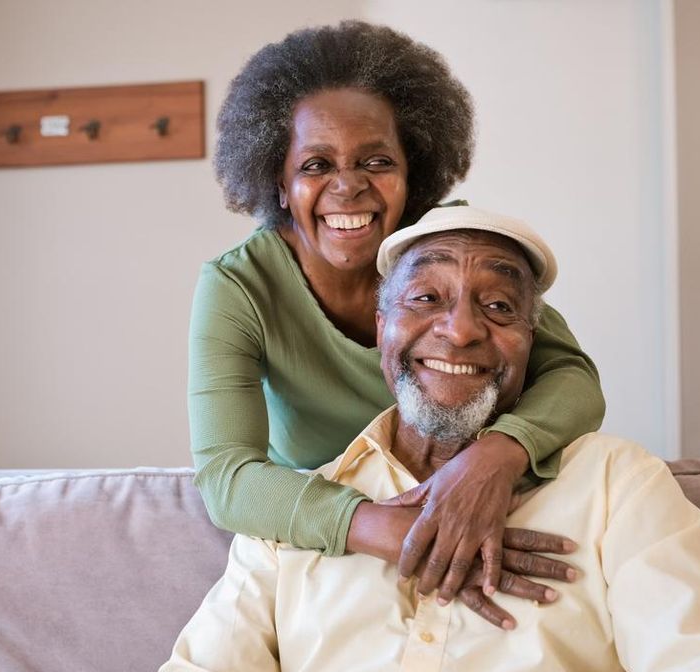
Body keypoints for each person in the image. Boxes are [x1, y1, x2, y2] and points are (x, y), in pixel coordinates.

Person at [72, 206, 700, 672]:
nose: (462, 327)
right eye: (428, 297)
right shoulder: (297, 514)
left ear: (532, 342)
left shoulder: (612, 484)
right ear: (382, 325)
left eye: (499, 307)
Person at [191, 21, 606, 614]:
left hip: (473, 504)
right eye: (315, 166)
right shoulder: (239, 285)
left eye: (376, 161)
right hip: (328, 537)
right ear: (278, 182)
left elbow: (574, 378)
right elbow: (227, 478)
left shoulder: (449, 248)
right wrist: (395, 531)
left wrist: (494, 461)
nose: (348, 187)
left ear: (413, 176)